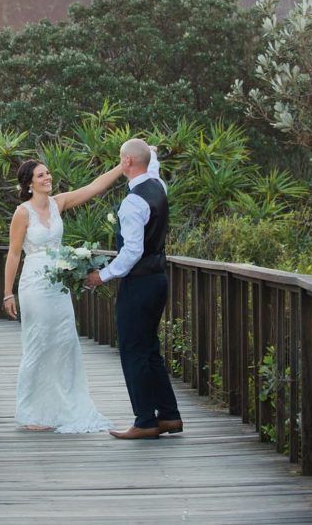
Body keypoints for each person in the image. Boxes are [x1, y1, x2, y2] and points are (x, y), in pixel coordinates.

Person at [2, 158, 122, 432]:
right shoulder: (23, 213)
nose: (47, 178)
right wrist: (7, 293)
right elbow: (14, 252)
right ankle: (32, 412)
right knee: (39, 342)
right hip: (34, 283)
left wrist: (121, 165)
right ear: (29, 183)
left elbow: (95, 187)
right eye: (41, 175)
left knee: (65, 341)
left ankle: (61, 408)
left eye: (48, 173)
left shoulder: (59, 202)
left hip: (58, 284)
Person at [83, 138, 182, 439]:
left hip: (138, 283)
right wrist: (149, 154)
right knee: (150, 349)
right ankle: (169, 415)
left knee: (133, 351)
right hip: (159, 280)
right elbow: (152, 167)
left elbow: (131, 251)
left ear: (126, 162)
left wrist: (104, 275)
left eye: (121, 159)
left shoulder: (132, 203)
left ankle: (145, 421)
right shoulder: (158, 187)